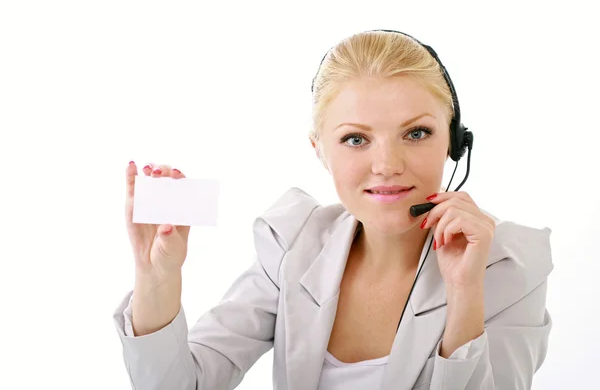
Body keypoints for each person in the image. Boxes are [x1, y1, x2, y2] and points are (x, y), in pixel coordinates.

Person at [113, 30, 553, 390]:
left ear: (455, 142)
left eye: (416, 133)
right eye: (356, 139)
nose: (388, 165)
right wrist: (156, 277)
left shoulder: (508, 266)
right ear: (320, 151)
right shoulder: (294, 242)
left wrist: (464, 295)